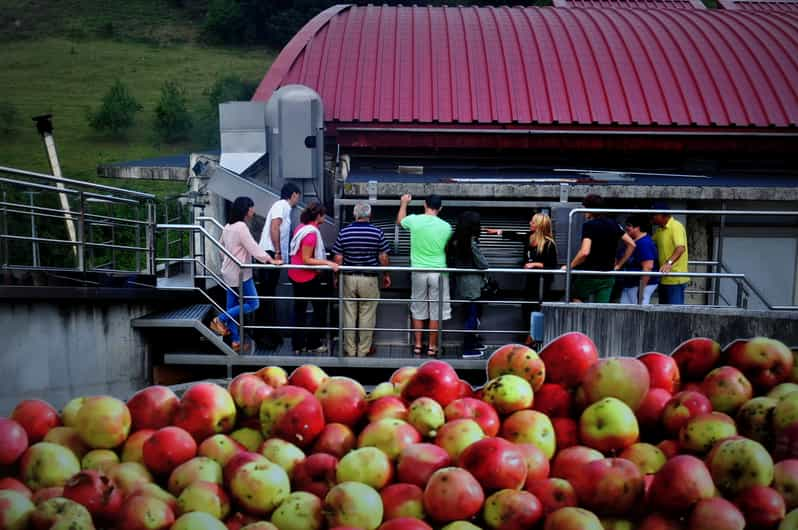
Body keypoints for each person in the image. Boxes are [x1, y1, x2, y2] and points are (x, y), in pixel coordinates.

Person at [210, 196, 282, 353]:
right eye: (251, 207)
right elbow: (253, 247)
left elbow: (221, 248)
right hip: (241, 273)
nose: (253, 210)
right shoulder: (241, 227)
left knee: (233, 307)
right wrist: (269, 260)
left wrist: (228, 261)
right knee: (254, 303)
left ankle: (235, 341)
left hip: (228, 272)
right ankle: (219, 319)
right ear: (245, 209)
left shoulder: (228, 226)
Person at [332, 201, 392, 357]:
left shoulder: (344, 232)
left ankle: (350, 350)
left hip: (349, 277)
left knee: (349, 314)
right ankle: (363, 350)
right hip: (369, 278)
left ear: (355, 214)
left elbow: (338, 258)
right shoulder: (377, 232)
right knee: (367, 314)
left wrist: (336, 276)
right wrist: (386, 275)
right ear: (370, 215)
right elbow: (383, 256)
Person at [487, 212, 558, 343]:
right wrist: (498, 231)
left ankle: (533, 339)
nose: (530, 223)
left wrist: (535, 264)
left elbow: (552, 265)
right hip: (531, 281)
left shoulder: (549, 244)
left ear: (540, 225)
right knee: (526, 309)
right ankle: (531, 336)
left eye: (533, 222)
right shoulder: (530, 237)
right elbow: (515, 236)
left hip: (542, 283)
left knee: (536, 309)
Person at [396, 193, 453, 357]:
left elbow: (400, 221)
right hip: (439, 272)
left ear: (424, 205)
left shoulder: (415, 220)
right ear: (440, 208)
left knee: (418, 307)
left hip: (418, 271)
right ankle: (432, 347)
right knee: (436, 310)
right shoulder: (446, 226)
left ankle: (418, 345)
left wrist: (404, 203)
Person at [254, 182, 301, 349]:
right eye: (298, 196)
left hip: (271, 253)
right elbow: (275, 227)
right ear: (294, 195)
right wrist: (278, 252)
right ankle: (263, 337)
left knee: (269, 294)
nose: (298, 199)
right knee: (266, 295)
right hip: (270, 253)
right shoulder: (281, 205)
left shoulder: (284, 208)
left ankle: (270, 335)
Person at [288, 201, 339, 354]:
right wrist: (328, 263)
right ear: (318, 216)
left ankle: (297, 345)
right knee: (320, 310)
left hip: (294, 274)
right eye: (323, 215)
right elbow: (306, 259)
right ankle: (313, 343)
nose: (325, 217)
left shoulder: (300, 228)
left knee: (300, 311)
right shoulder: (311, 234)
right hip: (307, 277)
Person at [565, 194, 635, 303]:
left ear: (591, 209)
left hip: (590, 274)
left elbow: (584, 252)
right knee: (601, 308)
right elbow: (632, 244)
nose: (583, 212)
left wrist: (570, 266)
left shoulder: (589, 225)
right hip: (608, 275)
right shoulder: (614, 224)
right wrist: (619, 265)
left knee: (575, 295)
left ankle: (585, 319)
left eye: (585, 208)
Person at [447, 211, 489, 358]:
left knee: (470, 314)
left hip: (461, 282)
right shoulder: (470, 242)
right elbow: (483, 264)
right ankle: (468, 348)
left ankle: (473, 343)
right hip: (472, 284)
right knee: (472, 315)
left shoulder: (456, 240)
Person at [651, 201, 689, 304]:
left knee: (675, 313)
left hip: (676, 279)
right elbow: (650, 242)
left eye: (655, 214)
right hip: (664, 278)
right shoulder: (660, 230)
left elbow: (680, 248)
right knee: (663, 312)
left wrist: (669, 263)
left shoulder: (676, 226)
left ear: (664, 215)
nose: (653, 217)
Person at [619, 214, 659, 305]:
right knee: (624, 311)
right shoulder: (634, 241)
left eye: (629, 225)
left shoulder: (644, 243)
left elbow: (648, 268)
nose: (626, 228)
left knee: (637, 312)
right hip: (631, 284)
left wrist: (641, 291)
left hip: (640, 285)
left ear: (638, 227)